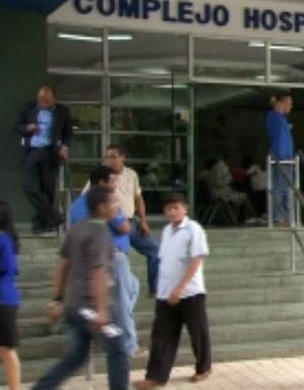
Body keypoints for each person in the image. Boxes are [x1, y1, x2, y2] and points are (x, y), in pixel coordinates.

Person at [32, 187, 129, 390]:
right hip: (89, 308)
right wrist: (101, 309)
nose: (117, 207)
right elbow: (98, 271)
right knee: (118, 347)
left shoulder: (76, 229)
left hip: (73, 305)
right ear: (102, 207)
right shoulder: (100, 233)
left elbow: (62, 265)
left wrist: (57, 299)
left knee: (76, 356)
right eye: (113, 203)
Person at [135, 193, 212, 389]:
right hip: (165, 293)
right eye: (168, 208)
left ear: (185, 209)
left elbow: (196, 260)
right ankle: (156, 376)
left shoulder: (193, 229)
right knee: (161, 336)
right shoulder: (166, 231)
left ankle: (203, 368)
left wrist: (180, 287)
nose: (171, 212)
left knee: (198, 332)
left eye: (176, 207)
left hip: (190, 292)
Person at [73, 166, 140, 358]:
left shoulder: (79, 203)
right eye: (113, 181)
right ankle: (127, 345)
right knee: (121, 301)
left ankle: (111, 330)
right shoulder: (103, 202)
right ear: (102, 183)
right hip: (112, 257)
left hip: (101, 257)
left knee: (133, 287)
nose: (116, 184)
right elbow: (124, 227)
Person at [84, 145, 160, 297]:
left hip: (130, 222)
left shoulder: (131, 174)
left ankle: (155, 288)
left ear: (122, 157)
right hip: (111, 226)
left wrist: (143, 220)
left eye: (113, 156)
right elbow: (87, 198)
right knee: (119, 259)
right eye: (107, 157)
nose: (109, 160)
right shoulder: (102, 176)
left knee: (155, 251)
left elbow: (138, 199)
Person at [15, 85, 72, 234]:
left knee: (47, 190)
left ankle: (41, 224)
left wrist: (65, 146)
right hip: (33, 150)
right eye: (40, 101)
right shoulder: (28, 108)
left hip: (50, 152)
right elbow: (17, 126)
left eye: (46, 101)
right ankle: (54, 217)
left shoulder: (63, 111)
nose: (43, 104)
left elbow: (68, 133)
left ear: (53, 99)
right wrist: (27, 128)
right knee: (28, 186)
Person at [266, 94, 296, 225]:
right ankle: (278, 217)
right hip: (280, 157)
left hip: (287, 158)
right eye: (289, 103)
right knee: (279, 188)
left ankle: (285, 216)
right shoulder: (274, 117)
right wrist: (275, 103)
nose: (290, 106)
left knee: (286, 189)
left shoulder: (282, 118)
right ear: (281, 103)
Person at [0, 202, 20, 390]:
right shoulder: (7, 239)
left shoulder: (3, 240)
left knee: (6, 349)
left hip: (3, 300)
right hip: (6, 298)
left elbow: (7, 267)